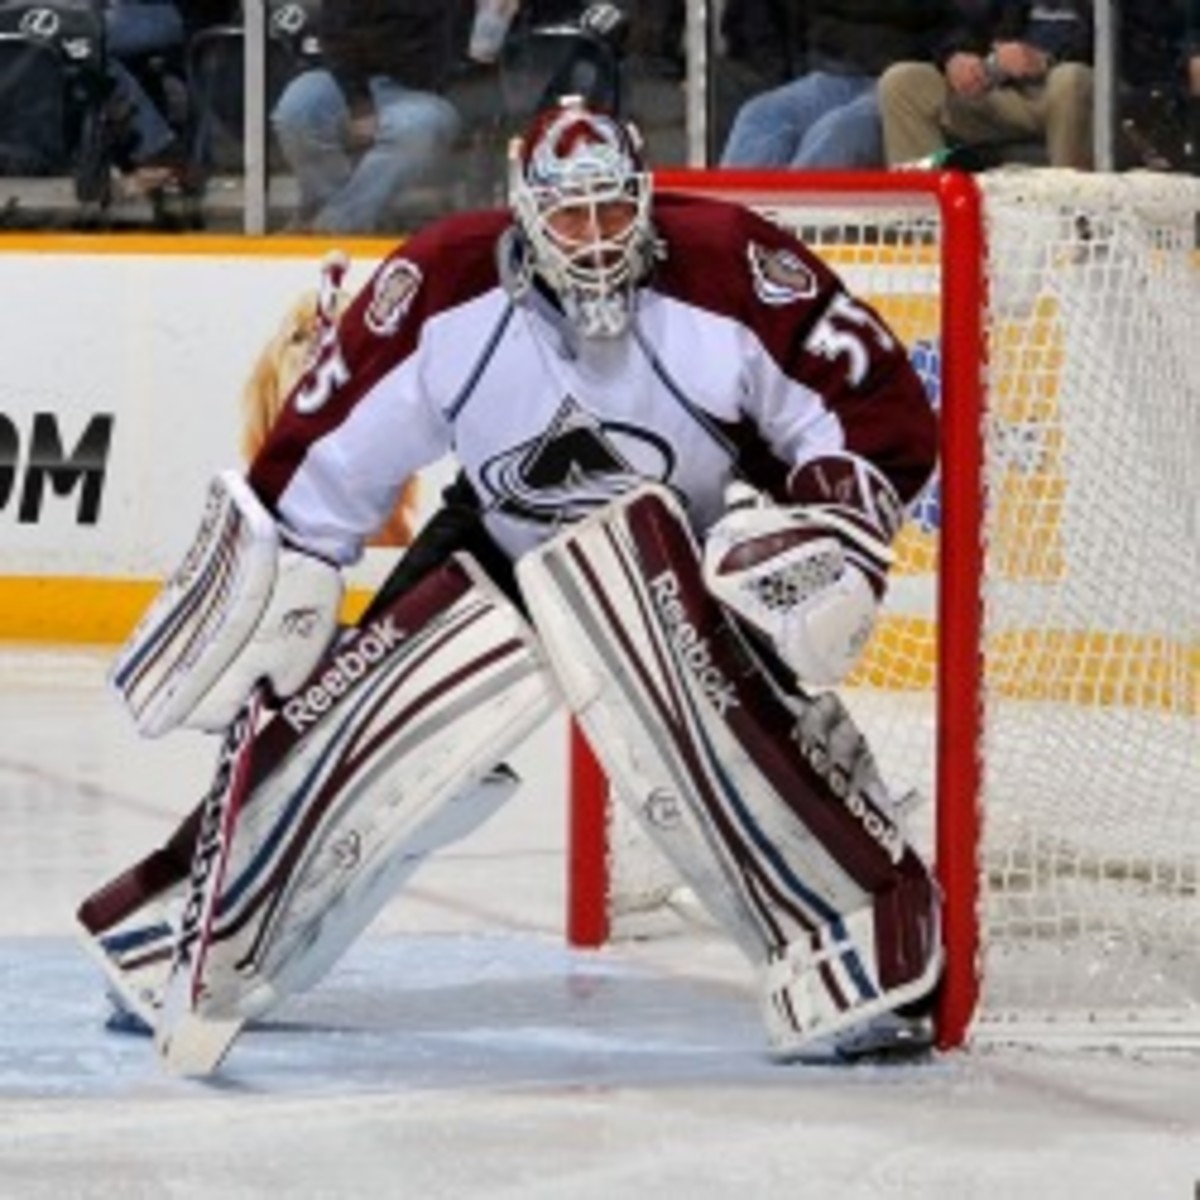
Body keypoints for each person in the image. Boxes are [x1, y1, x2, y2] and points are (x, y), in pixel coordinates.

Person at [77, 96, 943, 1072]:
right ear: (525, 209)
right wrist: (278, 578)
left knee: (658, 639)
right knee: (355, 722)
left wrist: (832, 526)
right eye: (570, 215)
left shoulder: (731, 262)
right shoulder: (445, 277)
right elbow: (326, 451)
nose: (596, 237)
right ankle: (202, 924)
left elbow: (873, 404)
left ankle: (854, 924)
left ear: (645, 199)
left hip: (679, 562)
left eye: (615, 210)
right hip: (497, 538)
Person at [271, 0, 463, 232]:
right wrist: (359, 102)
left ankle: (335, 225)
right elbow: (336, 34)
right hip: (348, 78)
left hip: (424, 94)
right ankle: (328, 206)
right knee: (298, 107)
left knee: (417, 128)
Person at [720, 1, 953, 170]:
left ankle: (787, 231)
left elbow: (966, 22)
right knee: (760, 117)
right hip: (833, 71)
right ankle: (727, 228)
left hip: (906, 80)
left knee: (835, 132)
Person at [878, 0, 1095, 170]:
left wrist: (1048, 59)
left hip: (1090, 99)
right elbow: (958, 23)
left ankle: (1071, 216)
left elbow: (1124, 50)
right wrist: (955, 57)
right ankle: (926, 214)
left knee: (1071, 79)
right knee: (903, 82)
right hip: (1000, 87)